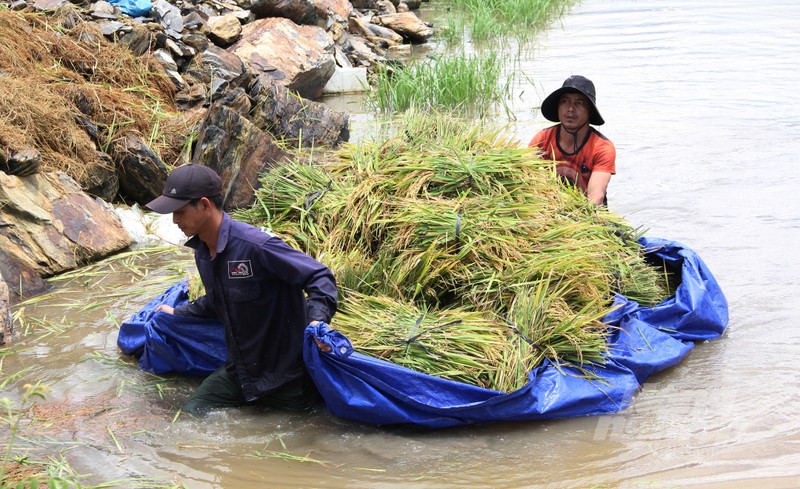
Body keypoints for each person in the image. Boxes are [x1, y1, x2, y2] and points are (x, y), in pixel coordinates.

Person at [146, 163, 338, 415]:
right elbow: (218, 300)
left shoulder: (256, 245)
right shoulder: (203, 252)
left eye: (179, 211)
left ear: (204, 205)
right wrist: (177, 312)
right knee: (189, 416)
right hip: (241, 372)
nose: (174, 220)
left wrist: (316, 323)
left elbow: (319, 276)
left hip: (287, 379)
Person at [528, 75, 616, 206]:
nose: (570, 109)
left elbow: (595, 195)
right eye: (565, 101)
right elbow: (524, 174)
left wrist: (582, 216)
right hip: (552, 207)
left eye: (579, 103)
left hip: (589, 213)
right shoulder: (543, 139)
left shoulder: (601, 147)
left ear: (590, 111)